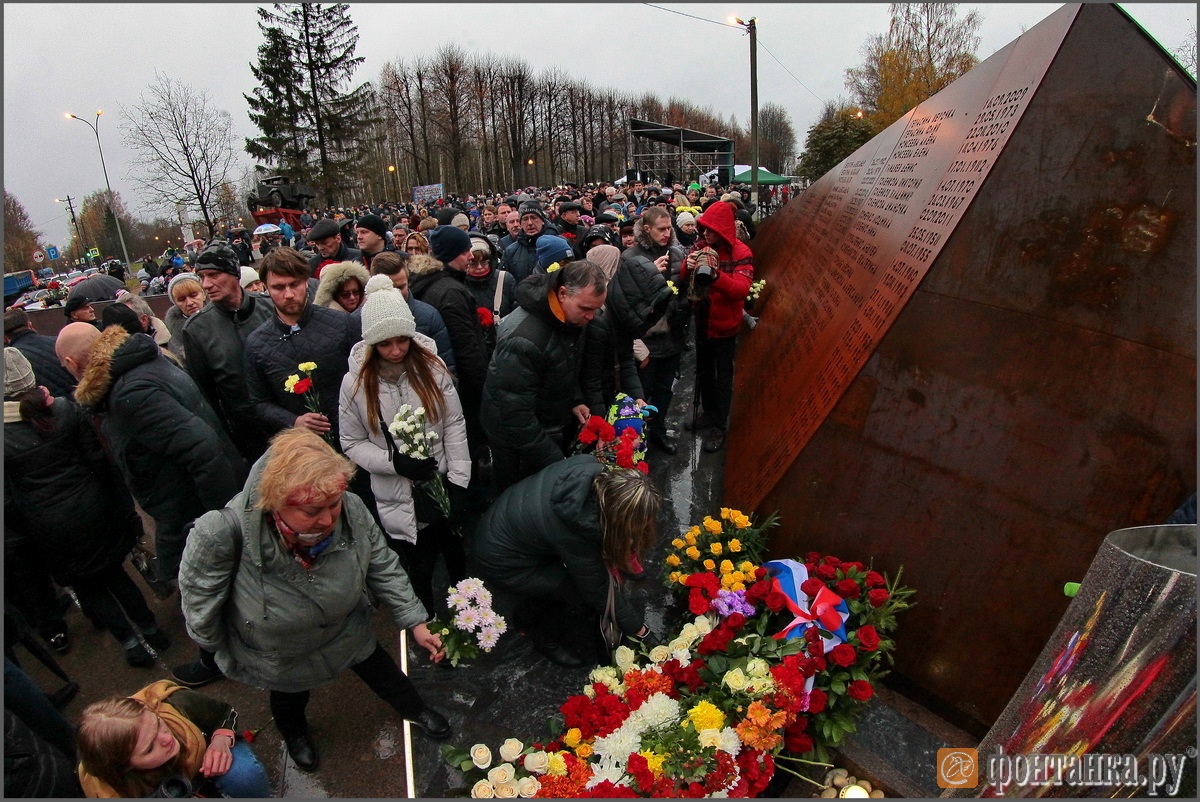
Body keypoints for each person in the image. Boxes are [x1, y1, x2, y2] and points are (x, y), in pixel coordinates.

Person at [178, 428, 452, 772]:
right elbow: (200, 607)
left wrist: (414, 620)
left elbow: (380, 563)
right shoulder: (219, 534)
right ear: (275, 501)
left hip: (348, 632)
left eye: (333, 504)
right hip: (284, 654)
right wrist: (237, 651)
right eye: (311, 511)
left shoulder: (349, 507)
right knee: (289, 699)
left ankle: (414, 709)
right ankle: (295, 735)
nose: (327, 519)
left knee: (384, 673)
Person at [5, 348, 171, 668]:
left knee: (90, 586)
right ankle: (152, 630)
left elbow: (8, 502)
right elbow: (98, 460)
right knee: (117, 575)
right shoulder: (65, 410)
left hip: (49, 525)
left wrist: (30, 526)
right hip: (92, 508)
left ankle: (130, 642)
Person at [339, 275, 470, 614]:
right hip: (397, 494)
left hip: (440, 482)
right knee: (420, 567)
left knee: (456, 558)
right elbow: (351, 442)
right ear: (372, 344)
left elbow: (454, 425)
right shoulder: (355, 384)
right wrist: (393, 463)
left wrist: (458, 480)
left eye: (402, 341)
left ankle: (465, 620)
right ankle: (427, 623)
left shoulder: (431, 368)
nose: (396, 350)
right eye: (385, 344)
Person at [474, 455, 659, 667]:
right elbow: (598, 591)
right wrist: (641, 631)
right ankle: (546, 638)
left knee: (564, 585)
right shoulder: (576, 530)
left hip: (506, 525)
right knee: (579, 598)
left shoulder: (591, 470)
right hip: (505, 562)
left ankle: (528, 612)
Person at [480, 260, 608, 493]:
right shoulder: (524, 340)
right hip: (516, 447)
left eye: (596, 309)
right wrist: (556, 463)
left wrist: (575, 399)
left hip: (543, 429)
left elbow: (561, 366)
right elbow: (516, 418)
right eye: (585, 309)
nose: (591, 317)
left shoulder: (567, 319)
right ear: (562, 294)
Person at [76, 680, 270, 798]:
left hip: (204, 757)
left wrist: (220, 740)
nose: (166, 739)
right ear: (125, 767)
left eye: (159, 724)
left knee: (245, 775)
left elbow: (225, 713)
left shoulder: (176, 702)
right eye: (149, 748)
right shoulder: (106, 790)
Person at [177, 241, 276, 462]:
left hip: (288, 422)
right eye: (202, 277)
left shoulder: (270, 307)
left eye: (213, 275)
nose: (207, 284)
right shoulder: (196, 330)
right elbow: (206, 396)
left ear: (235, 274)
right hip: (247, 438)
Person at [680, 200, 754, 453]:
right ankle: (708, 413)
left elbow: (740, 290)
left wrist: (715, 275)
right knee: (703, 373)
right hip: (702, 322)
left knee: (723, 377)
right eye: (702, 229)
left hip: (725, 326)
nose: (704, 234)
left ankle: (720, 425)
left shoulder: (741, 253)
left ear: (722, 230)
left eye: (709, 230)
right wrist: (686, 266)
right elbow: (683, 278)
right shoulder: (700, 246)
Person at [3, 306, 77, 398]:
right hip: (81, 401)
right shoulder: (58, 341)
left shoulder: (11, 363)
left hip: (49, 407)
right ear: (30, 325)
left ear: (4, 338)